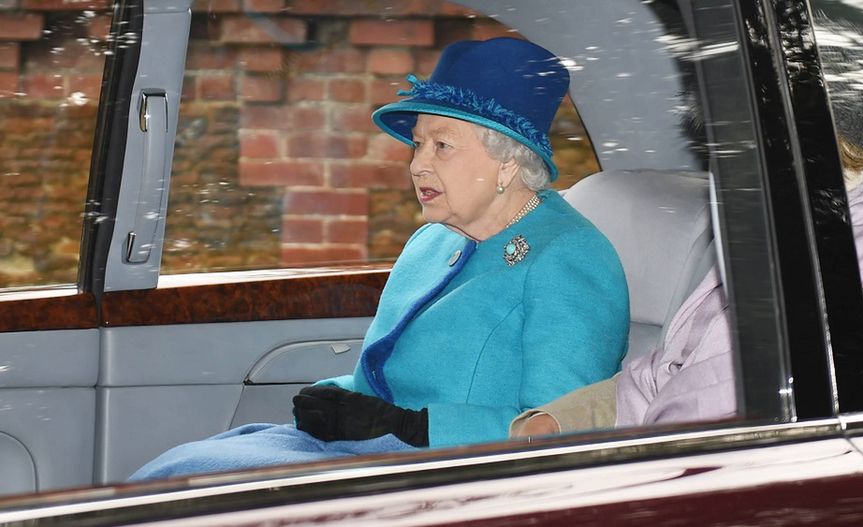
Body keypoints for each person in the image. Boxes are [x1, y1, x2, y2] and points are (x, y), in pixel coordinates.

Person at [130, 37, 629, 480]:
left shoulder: (569, 258)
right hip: (370, 452)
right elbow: (389, 385)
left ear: (509, 162)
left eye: (442, 146)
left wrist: (413, 428)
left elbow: (561, 434)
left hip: (452, 474)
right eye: (418, 145)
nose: (418, 165)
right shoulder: (434, 241)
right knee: (177, 474)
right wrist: (338, 396)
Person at [510, 19, 863, 438]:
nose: (726, 169)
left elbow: (835, 440)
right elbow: (661, 380)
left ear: (828, 143)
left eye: (748, 141)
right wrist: (556, 422)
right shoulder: (776, 242)